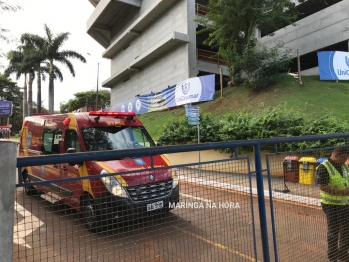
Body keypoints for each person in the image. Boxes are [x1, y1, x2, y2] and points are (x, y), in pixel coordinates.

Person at [318, 146, 349, 262]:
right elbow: (322, 187)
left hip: (345, 204)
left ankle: (343, 254)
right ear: (336, 155)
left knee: (346, 230)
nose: (345, 160)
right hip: (331, 205)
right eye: (344, 158)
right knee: (333, 231)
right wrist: (342, 192)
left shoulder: (344, 165)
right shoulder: (323, 168)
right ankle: (332, 257)